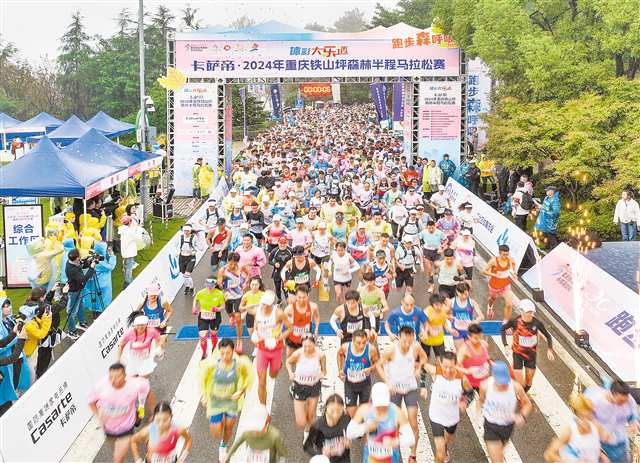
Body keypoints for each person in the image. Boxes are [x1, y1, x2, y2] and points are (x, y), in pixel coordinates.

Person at [375, 327, 428, 463]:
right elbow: (378, 365)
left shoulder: (415, 347)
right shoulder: (391, 350)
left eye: (409, 340)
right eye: (404, 340)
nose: (407, 343)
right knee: (394, 424)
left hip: (410, 388)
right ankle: (395, 452)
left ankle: (413, 455)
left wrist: (419, 367)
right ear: (399, 337)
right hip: (395, 391)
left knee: (413, 422)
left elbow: (424, 357)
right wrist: (387, 382)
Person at [199, 338, 254, 462]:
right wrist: (204, 395)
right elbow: (203, 379)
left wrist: (240, 391)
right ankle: (220, 424)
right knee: (216, 433)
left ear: (233, 351)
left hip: (231, 402)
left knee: (229, 428)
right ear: (219, 352)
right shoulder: (212, 365)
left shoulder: (239, 365)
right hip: (216, 401)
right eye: (222, 353)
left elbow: (248, 378)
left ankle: (223, 446)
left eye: (228, 353)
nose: (225, 356)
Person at [88, 363, 150, 463]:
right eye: (111, 377)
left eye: (117, 377)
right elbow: (91, 401)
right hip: (109, 429)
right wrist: (98, 414)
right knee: (117, 452)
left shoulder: (135, 384)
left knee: (117, 459)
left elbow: (145, 388)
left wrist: (141, 408)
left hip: (126, 428)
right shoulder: (101, 386)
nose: (113, 380)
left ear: (125, 376)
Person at [424, 351, 474, 463]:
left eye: (451, 367)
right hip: (436, 416)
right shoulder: (435, 371)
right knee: (440, 454)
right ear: (440, 364)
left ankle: (445, 445)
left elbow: (470, 393)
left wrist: (465, 402)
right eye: (445, 367)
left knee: (447, 439)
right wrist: (422, 386)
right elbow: (423, 365)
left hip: (452, 418)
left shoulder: (462, 379)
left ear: (456, 365)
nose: (447, 370)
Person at [479, 361, 532, 463]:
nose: (503, 384)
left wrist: (522, 416)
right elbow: (481, 400)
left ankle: (495, 453)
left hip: (507, 427)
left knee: (500, 453)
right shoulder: (485, 386)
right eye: (500, 381)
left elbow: (527, 404)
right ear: (493, 378)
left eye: (504, 381)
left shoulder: (515, 387)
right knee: (498, 461)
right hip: (491, 426)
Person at [501, 299, 555, 392]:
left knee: (529, 381)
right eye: (528, 312)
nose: (531, 314)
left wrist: (549, 349)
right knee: (520, 382)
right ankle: (521, 395)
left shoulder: (537, 323)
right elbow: (502, 329)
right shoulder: (515, 321)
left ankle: (523, 393)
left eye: (532, 312)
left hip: (531, 355)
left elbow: (548, 336)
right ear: (521, 311)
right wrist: (505, 345)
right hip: (517, 354)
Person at [249, 291, 292, 405]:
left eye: (267, 304)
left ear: (272, 304)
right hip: (262, 349)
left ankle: (277, 365)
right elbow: (255, 322)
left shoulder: (279, 313)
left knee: (273, 375)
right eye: (263, 303)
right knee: (262, 382)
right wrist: (255, 334)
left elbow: (290, 328)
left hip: (276, 349)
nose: (265, 306)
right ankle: (263, 409)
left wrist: (279, 337)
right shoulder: (257, 311)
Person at [543, 393, 610, 463]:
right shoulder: (569, 432)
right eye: (582, 417)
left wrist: (602, 455)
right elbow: (549, 454)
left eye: (589, 417)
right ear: (576, 416)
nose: (586, 421)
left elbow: (591, 445)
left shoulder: (596, 427)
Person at [117, 313, 163, 412]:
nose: (140, 328)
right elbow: (121, 345)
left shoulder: (151, 331)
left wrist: (159, 348)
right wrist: (118, 360)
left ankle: (141, 406)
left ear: (146, 324)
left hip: (145, 361)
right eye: (138, 326)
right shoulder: (130, 333)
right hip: (133, 361)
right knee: (129, 383)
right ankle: (130, 405)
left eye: (142, 325)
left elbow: (159, 339)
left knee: (142, 384)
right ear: (135, 325)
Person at [586, 380, 640, 462]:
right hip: (597, 439)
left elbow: (632, 416)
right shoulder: (595, 399)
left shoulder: (629, 400)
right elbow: (584, 416)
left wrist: (634, 422)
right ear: (612, 394)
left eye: (625, 401)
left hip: (618, 442)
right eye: (620, 401)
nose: (623, 404)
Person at [286, 333, 326, 442]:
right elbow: (288, 362)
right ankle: (294, 393)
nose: (307, 349)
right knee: (301, 422)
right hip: (299, 386)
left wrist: (321, 374)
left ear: (314, 344)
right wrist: (290, 373)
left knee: (311, 415)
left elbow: (323, 370)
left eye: (309, 346)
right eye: (304, 346)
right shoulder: (298, 354)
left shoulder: (320, 355)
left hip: (314, 387)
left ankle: (307, 433)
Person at [337, 329, 379, 418]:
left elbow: (378, 363)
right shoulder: (345, 347)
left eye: (364, 342)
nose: (361, 346)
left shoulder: (371, 349)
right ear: (352, 340)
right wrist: (340, 369)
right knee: (351, 413)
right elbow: (339, 354)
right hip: (350, 384)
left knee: (363, 412)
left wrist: (371, 369)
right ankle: (354, 428)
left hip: (365, 384)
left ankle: (361, 429)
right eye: (358, 343)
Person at [304, 394, 351, 463]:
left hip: (343, 459)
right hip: (325, 460)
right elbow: (307, 446)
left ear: (343, 409)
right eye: (332, 411)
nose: (335, 415)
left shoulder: (346, 419)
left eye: (338, 411)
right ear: (326, 407)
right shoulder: (317, 426)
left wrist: (349, 440)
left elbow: (358, 434)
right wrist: (321, 452)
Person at [218, 253, 249, 352]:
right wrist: (223, 286)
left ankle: (239, 340)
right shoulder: (223, 270)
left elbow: (248, 274)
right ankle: (231, 316)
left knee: (239, 319)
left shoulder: (241, 267)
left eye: (234, 263)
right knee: (229, 312)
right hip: (228, 296)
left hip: (238, 296)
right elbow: (219, 282)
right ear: (227, 261)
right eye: (230, 263)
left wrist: (245, 283)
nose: (232, 265)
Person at [65, 248, 96, 339]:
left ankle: (81, 322)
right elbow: (83, 279)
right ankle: (71, 331)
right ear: (76, 258)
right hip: (74, 292)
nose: (80, 258)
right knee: (72, 312)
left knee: (80, 306)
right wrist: (92, 268)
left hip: (79, 289)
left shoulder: (72, 262)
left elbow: (81, 265)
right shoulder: (72, 269)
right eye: (79, 257)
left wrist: (88, 261)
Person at [21, 297, 53, 386]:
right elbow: (41, 334)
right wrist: (48, 318)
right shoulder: (28, 325)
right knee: (30, 373)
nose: (38, 311)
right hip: (27, 354)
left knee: (32, 370)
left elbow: (40, 324)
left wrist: (45, 316)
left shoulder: (32, 319)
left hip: (32, 349)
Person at [193, 277, 225, 359]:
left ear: (215, 285)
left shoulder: (220, 294)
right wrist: (194, 307)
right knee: (203, 337)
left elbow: (223, 306)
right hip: (203, 316)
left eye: (211, 285)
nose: (209, 287)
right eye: (208, 285)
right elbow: (196, 299)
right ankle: (204, 353)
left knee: (213, 334)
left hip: (215, 317)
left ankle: (214, 347)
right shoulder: (201, 293)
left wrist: (217, 309)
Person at [484, 244, 517, 324]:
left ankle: (505, 322)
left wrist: (514, 274)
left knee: (509, 304)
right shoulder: (493, 261)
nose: (505, 256)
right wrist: (494, 275)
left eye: (507, 254)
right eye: (503, 255)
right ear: (499, 253)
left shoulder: (511, 260)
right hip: (494, 286)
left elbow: (514, 268)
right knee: (492, 299)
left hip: (506, 285)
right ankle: (490, 306)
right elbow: (484, 271)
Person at [82, 242, 117, 318]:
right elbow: (110, 266)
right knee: (102, 302)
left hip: (93, 284)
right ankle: (99, 317)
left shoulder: (92, 258)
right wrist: (112, 256)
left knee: (94, 301)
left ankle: (96, 315)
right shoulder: (100, 263)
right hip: (102, 285)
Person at [284, 284, 320, 357]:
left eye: (304, 297)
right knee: (289, 358)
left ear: (308, 296)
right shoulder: (289, 308)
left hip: (306, 339)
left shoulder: (313, 307)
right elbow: (281, 320)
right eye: (299, 297)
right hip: (292, 339)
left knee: (305, 358)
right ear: (296, 297)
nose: (301, 300)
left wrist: (316, 328)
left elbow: (317, 317)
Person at [420, 294, 456, 365]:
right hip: (427, 339)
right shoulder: (427, 312)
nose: (439, 307)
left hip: (439, 339)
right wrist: (424, 332)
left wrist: (450, 330)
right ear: (432, 304)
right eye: (437, 305)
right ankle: (427, 370)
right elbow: (422, 324)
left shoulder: (443, 311)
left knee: (439, 357)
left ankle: (438, 371)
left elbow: (444, 323)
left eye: (441, 305)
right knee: (426, 356)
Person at [457, 323, 492, 394]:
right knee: (465, 404)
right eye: (476, 338)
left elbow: (486, 359)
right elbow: (456, 366)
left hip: (484, 382)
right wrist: (466, 371)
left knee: (485, 403)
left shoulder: (484, 344)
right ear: (469, 337)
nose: (479, 340)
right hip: (469, 384)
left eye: (480, 337)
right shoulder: (464, 349)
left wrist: (491, 363)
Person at [358, 272, 389, 336]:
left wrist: (380, 311)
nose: (368, 284)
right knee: (365, 334)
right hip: (365, 316)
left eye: (370, 282)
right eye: (366, 281)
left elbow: (386, 307)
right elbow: (357, 303)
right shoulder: (360, 290)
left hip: (375, 316)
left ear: (374, 281)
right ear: (364, 281)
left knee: (374, 335)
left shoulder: (380, 292)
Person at [176, 224, 203, 296]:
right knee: (183, 275)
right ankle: (187, 287)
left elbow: (201, 248)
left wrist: (199, 238)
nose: (186, 232)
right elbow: (175, 246)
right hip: (182, 258)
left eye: (187, 231)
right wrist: (177, 252)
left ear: (190, 231)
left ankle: (192, 288)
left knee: (186, 275)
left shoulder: (194, 238)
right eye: (185, 230)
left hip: (191, 258)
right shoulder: (180, 237)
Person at [268, 236, 292, 304]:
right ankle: (279, 299)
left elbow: (294, 259)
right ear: (278, 243)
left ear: (286, 243)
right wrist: (274, 263)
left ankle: (288, 300)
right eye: (281, 243)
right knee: (277, 288)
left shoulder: (290, 250)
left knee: (286, 287)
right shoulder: (274, 251)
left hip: (287, 272)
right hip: (277, 272)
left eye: (284, 243)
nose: (282, 244)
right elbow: (269, 261)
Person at [118, 215, 139, 288]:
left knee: (126, 266)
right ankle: (128, 282)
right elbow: (137, 237)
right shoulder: (130, 231)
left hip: (124, 251)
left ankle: (128, 279)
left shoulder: (122, 229)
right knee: (129, 267)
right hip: (130, 252)